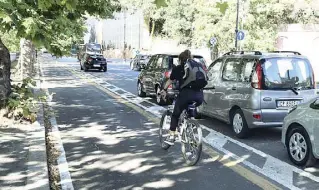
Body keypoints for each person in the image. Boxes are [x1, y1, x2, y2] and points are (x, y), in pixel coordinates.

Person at [160, 50, 206, 145]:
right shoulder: (198, 66)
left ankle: (172, 136)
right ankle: (190, 126)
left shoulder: (179, 68)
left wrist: (164, 89)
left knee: (176, 114)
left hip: (186, 95)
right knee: (189, 112)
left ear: (180, 59)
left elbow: (170, 81)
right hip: (199, 96)